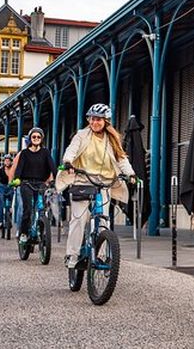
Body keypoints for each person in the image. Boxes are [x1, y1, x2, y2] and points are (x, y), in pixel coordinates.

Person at [56, 104, 135, 268]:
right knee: (78, 219)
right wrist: (68, 162)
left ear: (106, 121)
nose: (94, 122)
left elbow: (121, 159)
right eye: (92, 119)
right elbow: (71, 150)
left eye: (98, 119)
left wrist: (131, 174)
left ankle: (99, 255)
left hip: (104, 183)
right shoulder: (81, 135)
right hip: (83, 180)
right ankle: (73, 255)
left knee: (103, 221)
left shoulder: (113, 139)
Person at [10, 127, 55, 243]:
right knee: (28, 209)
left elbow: (52, 166)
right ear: (30, 139)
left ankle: (40, 227)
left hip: (41, 183)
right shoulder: (24, 153)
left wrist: (56, 178)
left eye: (38, 137)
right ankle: (24, 233)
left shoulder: (45, 152)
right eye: (34, 137)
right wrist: (17, 179)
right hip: (26, 183)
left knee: (41, 207)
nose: (36, 139)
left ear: (42, 139)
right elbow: (19, 168)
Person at [0, 154, 15, 230]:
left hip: (10, 187)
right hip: (2, 187)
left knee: (9, 205)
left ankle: (9, 218)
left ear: (11, 162)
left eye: (8, 161)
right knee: (2, 205)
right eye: (6, 161)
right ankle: (1, 222)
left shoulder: (13, 169)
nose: (7, 162)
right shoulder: (1, 170)